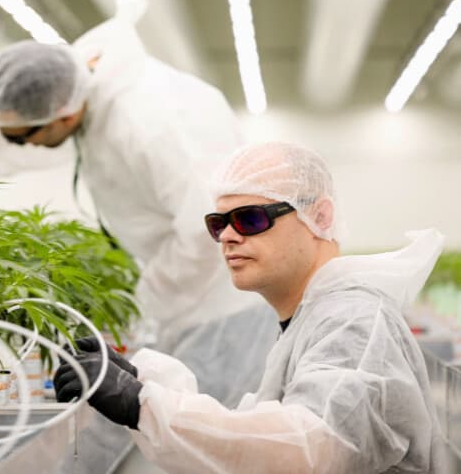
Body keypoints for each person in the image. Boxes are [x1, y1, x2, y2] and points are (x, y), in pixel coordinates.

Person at [0, 0, 278, 405]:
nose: (16, 144)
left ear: (66, 117)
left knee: (204, 434)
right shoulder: (74, 81)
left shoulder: (156, 124)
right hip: (173, 292)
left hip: (222, 306)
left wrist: (138, 312)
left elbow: (208, 235)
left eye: (23, 138)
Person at [53, 141, 448, 473]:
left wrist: (141, 405)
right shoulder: (312, 317)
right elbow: (259, 429)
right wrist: (145, 383)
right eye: (217, 222)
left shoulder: (353, 320)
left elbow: (307, 447)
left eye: (250, 218)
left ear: (320, 216)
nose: (226, 236)